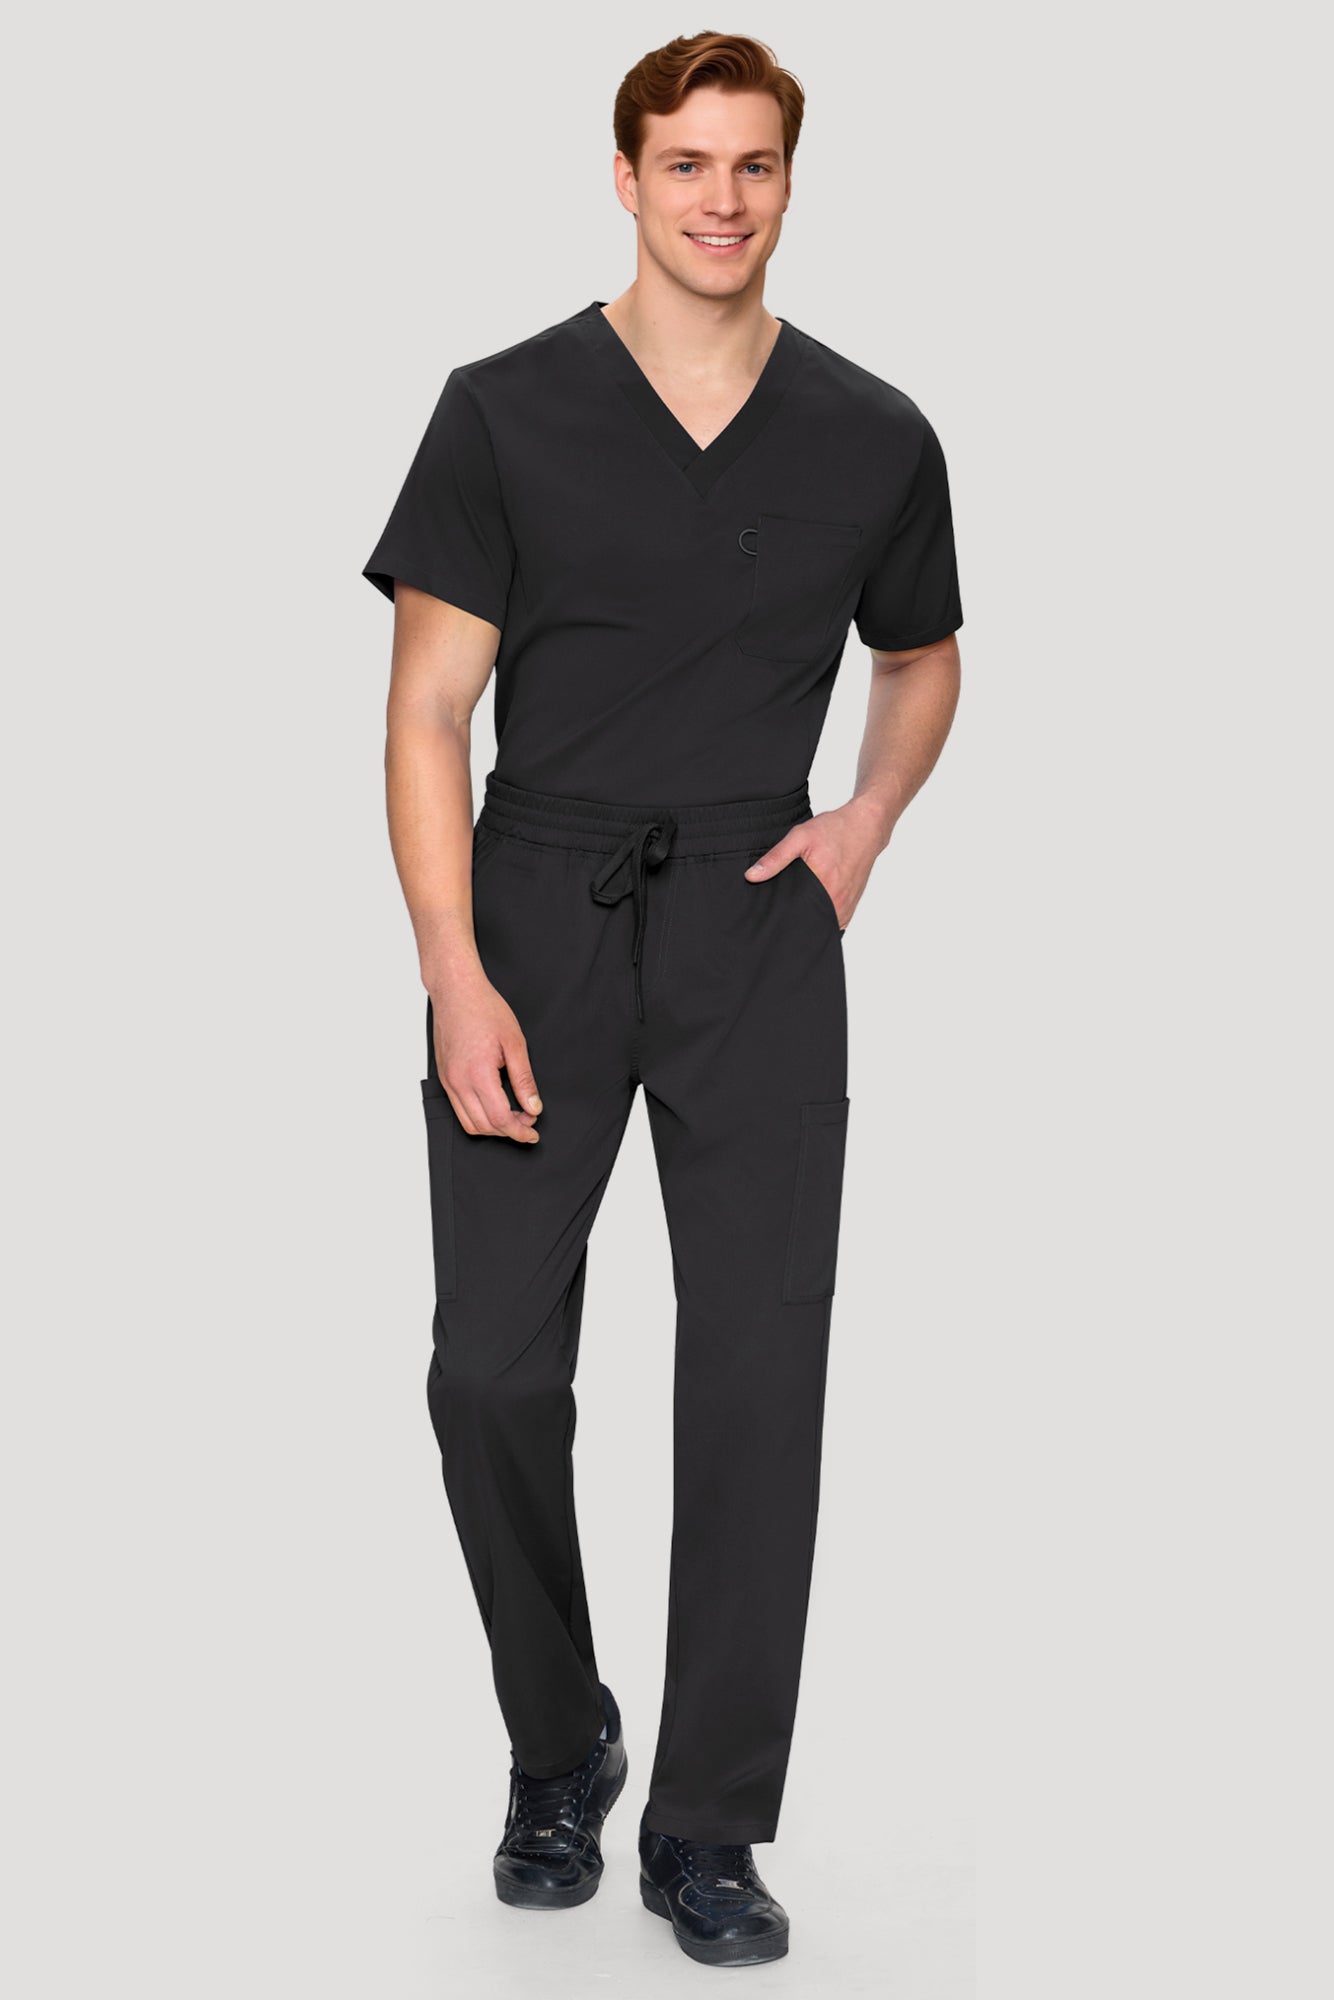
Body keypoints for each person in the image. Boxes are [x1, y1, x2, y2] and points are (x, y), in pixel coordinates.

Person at [361, 30, 963, 1970]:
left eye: (753, 164)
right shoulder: (502, 411)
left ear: (790, 182)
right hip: (535, 912)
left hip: (755, 923)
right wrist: (453, 969)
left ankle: (707, 1821)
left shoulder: (871, 431)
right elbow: (428, 711)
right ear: (622, 176)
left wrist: (866, 816)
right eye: (686, 162)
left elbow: (923, 654)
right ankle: (562, 1744)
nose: (721, 197)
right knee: (488, 1373)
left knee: (758, 1377)